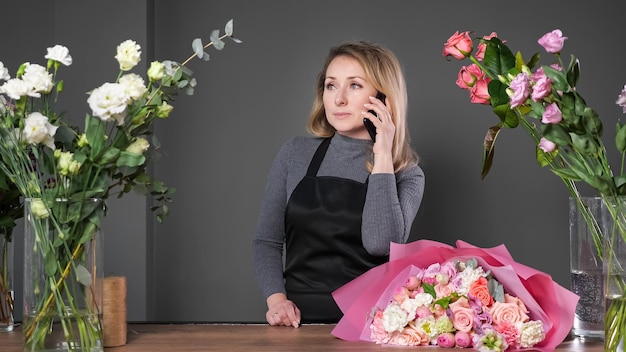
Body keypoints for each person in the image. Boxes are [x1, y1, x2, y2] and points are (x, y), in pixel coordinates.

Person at [252, 41, 425, 327]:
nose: (339, 99)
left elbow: (379, 244)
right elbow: (266, 240)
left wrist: (382, 155)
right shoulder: (295, 153)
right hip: (297, 325)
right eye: (331, 86)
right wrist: (277, 301)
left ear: (383, 97)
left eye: (354, 85)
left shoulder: (406, 174)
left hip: (369, 328)